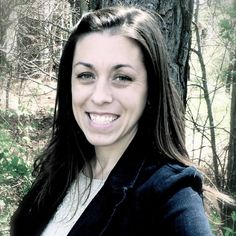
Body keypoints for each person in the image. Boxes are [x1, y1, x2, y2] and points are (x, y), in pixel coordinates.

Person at [10, 4, 224, 236]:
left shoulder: (169, 192)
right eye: (85, 75)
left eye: (122, 77)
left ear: (151, 90)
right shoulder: (62, 167)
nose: (100, 96)